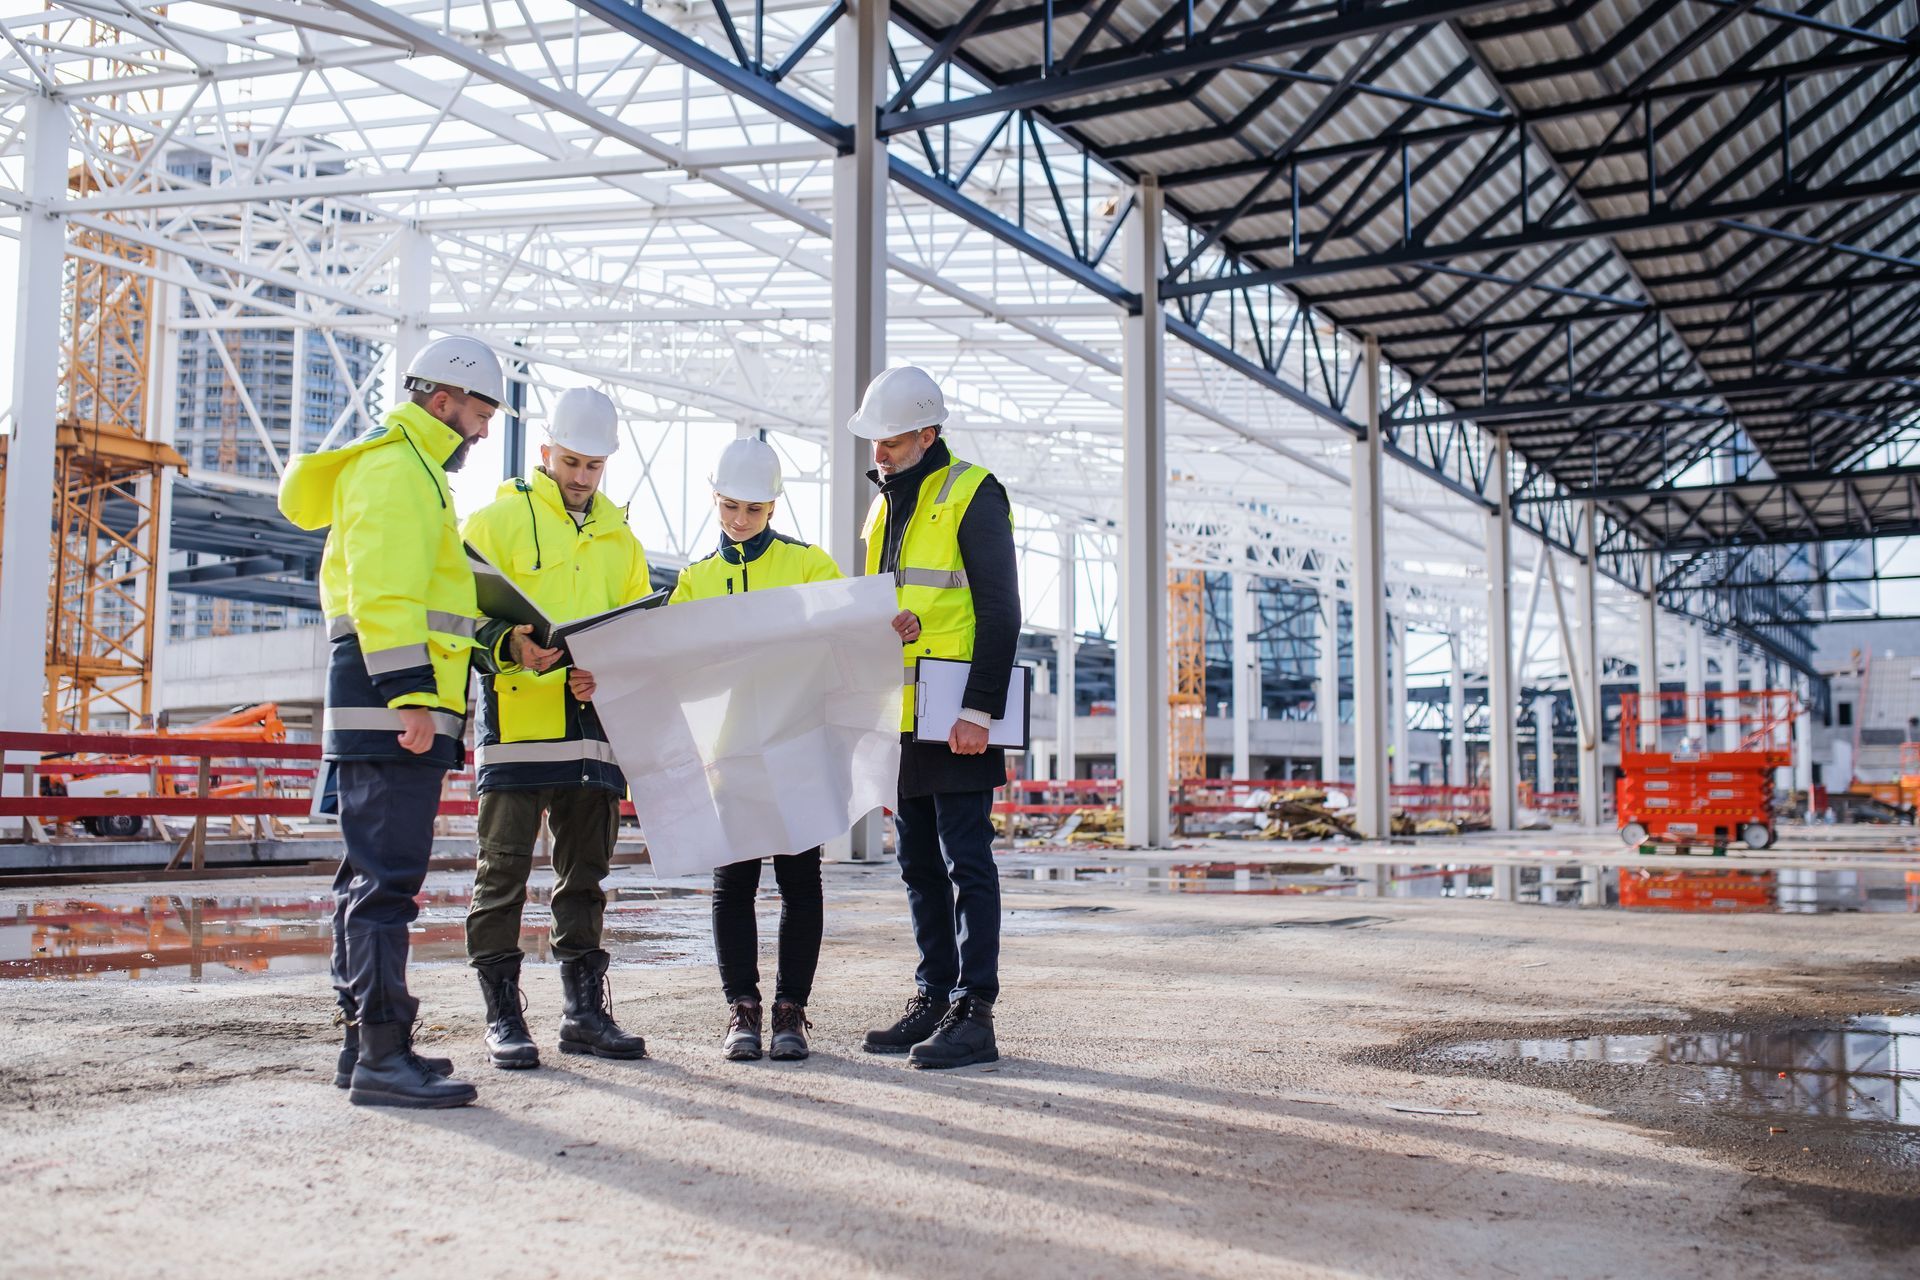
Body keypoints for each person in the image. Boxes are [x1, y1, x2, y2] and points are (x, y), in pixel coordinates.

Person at [278, 335, 509, 1109]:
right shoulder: (394, 469)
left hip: (393, 703)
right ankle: (381, 1055)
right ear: (442, 400)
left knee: (367, 880)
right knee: (385, 884)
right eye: (478, 413)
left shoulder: (412, 472)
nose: (481, 432)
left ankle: (365, 1046)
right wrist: (411, 697)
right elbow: (382, 596)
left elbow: (436, 603)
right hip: (391, 706)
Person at [460, 387, 652, 1069]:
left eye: (593, 466)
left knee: (585, 878)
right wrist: (507, 644)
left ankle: (585, 1014)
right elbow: (454, 614)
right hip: (517, 724)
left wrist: (613, 670)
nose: (580, 477)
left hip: (593, 730)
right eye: (571, 462)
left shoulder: (622, 542)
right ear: (546, 453)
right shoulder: (496, 522)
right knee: (502, 871)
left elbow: (637, 636)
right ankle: (504, 1016)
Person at [850, 367, 1020, 1069]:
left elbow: (1001, 609)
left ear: (927, 433)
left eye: (890, 441)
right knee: (919, 865)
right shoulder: (882, 510)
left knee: (966, 861)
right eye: (874, 442)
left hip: (956, 714)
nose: (879, 453)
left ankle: (974, 1011)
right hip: (903, 714)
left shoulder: (974, 493)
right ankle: (933, 994)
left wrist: (980, 710)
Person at [669, 437, 843, 1062]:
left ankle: (791, 1010)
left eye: (754, 509)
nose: (740, 520)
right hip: (731, 753)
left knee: (801, 883)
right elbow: (674, 664)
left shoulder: (809, 565)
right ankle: (741, 1009)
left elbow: (845, 638)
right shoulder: (695, 580)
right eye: (730, 506)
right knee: (733, 884)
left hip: (798, 747)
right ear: (715, 499)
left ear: (774, 506)